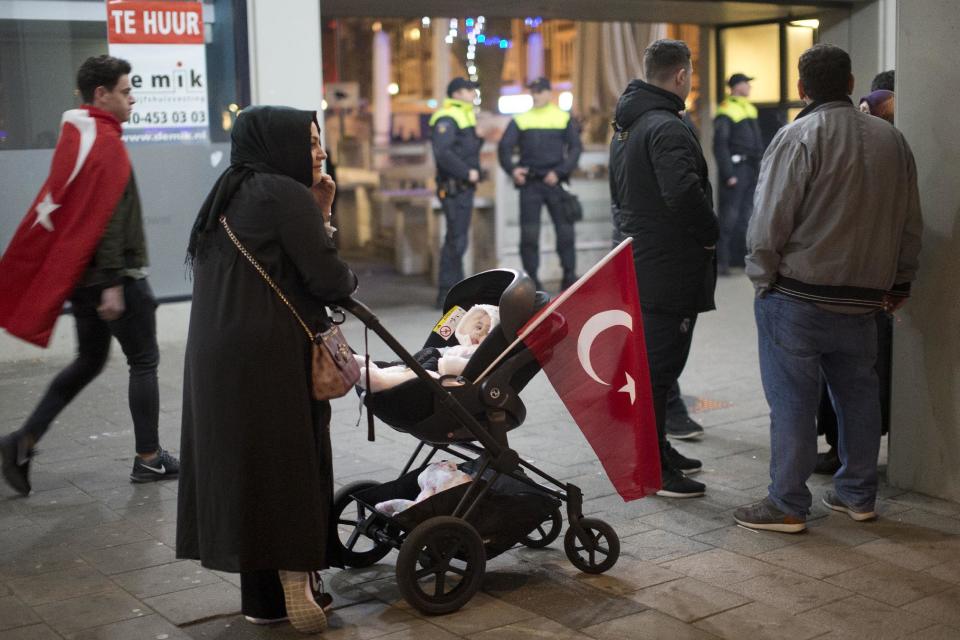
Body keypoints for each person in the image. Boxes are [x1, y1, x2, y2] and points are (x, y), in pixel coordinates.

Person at [176, 106, 358, 633]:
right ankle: (297, 572)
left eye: (320, 141)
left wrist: (318, 207)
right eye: (309, 142)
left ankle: (264, 601)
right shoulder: (282, 192)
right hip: (271, 353)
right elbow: (328, 279)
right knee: (288, 462)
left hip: (218, 356)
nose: (320, 152)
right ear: (277, 146)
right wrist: (327, 229)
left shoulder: (231, 191)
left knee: (246, 470)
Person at [735, 45, 922, 533]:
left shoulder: (798, 136)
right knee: (859, 397)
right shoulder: (892, 141)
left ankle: (788, 504)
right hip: (864, 300)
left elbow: (768, 219)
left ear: (802, 89)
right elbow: (909, 223)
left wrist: (762, 278)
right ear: (851, 81)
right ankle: (857, 495)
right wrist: (900, 281)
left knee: (793, 401)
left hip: (797, 296)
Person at [0, 55, 178, 496]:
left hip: (85, 276)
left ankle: (21, 442)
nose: (132, 97)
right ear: (101, 94)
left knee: (89, 360)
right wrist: (114, 282)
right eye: (124, 89)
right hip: (114, 278)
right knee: (144, 361)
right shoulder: (104, 143)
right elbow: (108, 218)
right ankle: (149, 459)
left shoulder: (79, 137)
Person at [609, 39, 719, 498]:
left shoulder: (627, 126)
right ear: (681, 75)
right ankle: (654, 467)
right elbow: (684, 195)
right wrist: (712, 232)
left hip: (643, 259)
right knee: (659, 368)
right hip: (668, 266)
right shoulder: (665, 127)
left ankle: (658, 449)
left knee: (656, 368)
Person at [816, 85, 896, 475]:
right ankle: (855, 479)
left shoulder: (876, 148)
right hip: (868, 286)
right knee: (857, 385)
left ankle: (844, 471)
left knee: (852, 385)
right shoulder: (889, 147)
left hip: (850, 288)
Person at [497, 77, 583, 290]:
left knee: (565, 233)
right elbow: (504, 148)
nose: (535, 95)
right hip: (531, 184)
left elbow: (575, 148)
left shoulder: (562, 118)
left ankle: (569, 277)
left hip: (556, 182)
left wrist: (560, 171)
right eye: (533, 91)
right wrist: (512, 169)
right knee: (529, 234)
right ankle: (532, 281)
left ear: (548, 93)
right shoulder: (521, 119)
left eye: (539, 91)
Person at [356, 304, 498, 392]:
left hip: (448, 381)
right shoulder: (463, 346)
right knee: (409, 367)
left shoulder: (482, 356)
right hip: (435, 363)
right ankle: (378, 370)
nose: (479, 333)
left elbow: (469, 368)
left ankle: (382, 382)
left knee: (419, 375)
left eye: (487, 333)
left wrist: (446, 363)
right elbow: (445, 350)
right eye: (478, 327)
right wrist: (437, 353)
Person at [430, 77, 483, 308]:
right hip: (455, 187)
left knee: (458, 239)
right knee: (455, 240)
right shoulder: (447, 116)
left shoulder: (464, 115)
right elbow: (443, 153)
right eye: (470, 91)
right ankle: (447, 293)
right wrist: (467, 172)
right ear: (459, 93)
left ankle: (456, 291)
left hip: (461, 188)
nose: (473, 95)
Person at [713, 73, 763, 275]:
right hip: (735, 170)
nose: (749, 87)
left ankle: (741, 260)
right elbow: (720, 144)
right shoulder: (726, 109)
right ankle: (722, 262)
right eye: (746, 83)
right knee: (729, 218)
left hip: (750, 168)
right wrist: (728, 173)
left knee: (746, 217)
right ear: (736, 86)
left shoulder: (748, 108)